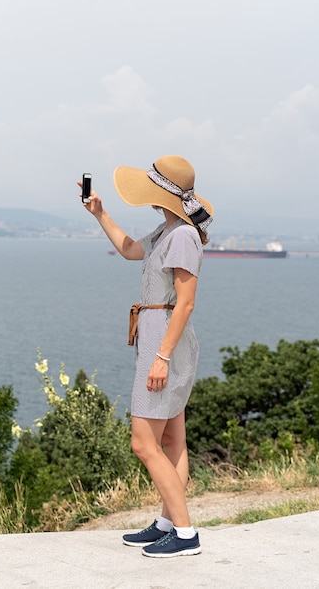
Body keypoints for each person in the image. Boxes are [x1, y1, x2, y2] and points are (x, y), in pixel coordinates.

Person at [78, 155, 213, 558]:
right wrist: (99, 213)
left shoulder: (183, 237)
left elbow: (185, 304)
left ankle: (186, 534)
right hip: (159, 340)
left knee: (143, 443)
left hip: (165, 345)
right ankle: (168, 523)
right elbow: (130, 250)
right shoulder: (167, 230)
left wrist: (161, 358)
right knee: (173, 439)